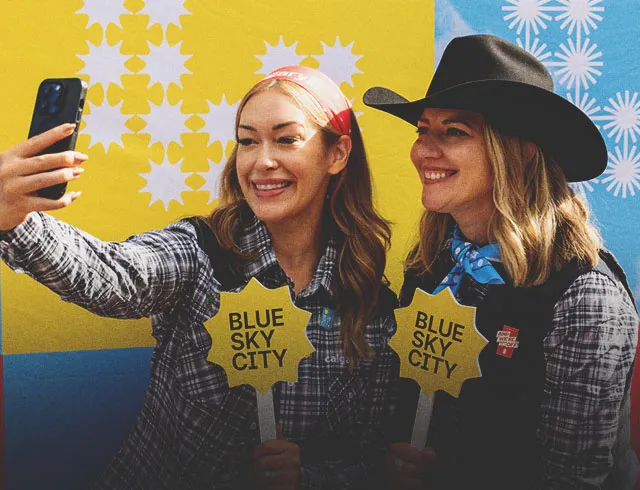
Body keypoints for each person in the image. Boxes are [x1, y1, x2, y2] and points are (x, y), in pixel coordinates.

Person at [0, 65, 397, 489]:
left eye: (286, 139)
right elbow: (114, 276)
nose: (262, 161)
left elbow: (370, 458)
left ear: (336, 154)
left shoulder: (370, 304)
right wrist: (14, 220)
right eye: (247, 141)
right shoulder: (202, 253)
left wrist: (308, 478)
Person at [363, 34, 639, 489]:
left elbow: (571, 480)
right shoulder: (430, 267)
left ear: (522, 151)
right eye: (422, 129)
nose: (424, 151)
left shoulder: (586, 298)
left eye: (455, 132)